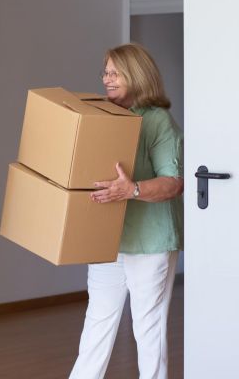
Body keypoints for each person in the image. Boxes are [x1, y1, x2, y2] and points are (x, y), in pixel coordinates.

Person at [69, 43, 183, 379]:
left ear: (136, 75)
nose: (107, 78)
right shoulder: (104, 119)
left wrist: (131, 189)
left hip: (150, 242)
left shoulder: (159, 121)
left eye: (115, 72)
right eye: (105, 71)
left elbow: (173, 183)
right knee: (97, 326)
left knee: (148, 327)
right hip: (109, 241)